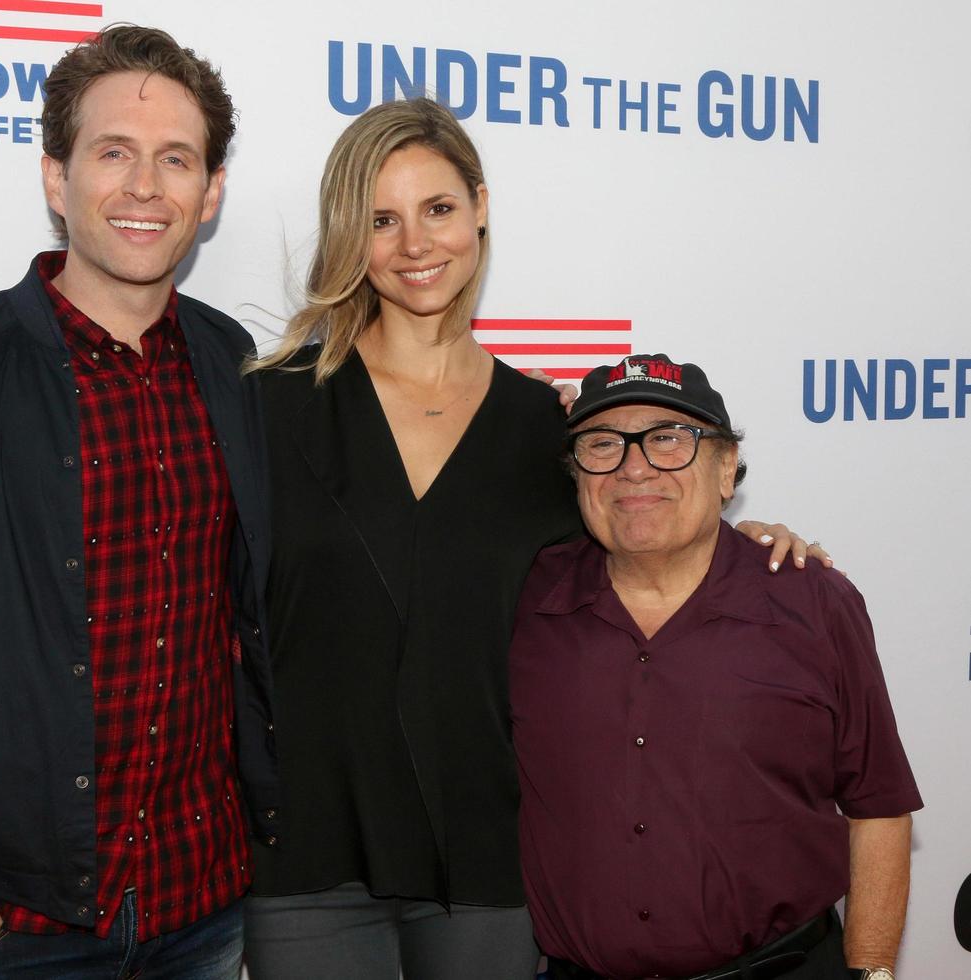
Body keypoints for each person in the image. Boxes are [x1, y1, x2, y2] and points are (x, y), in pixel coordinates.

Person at [242, 98, 822, 980]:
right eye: (380, 220)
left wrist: (753, 544)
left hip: (493, 861)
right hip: (310, 862)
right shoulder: (270, 406)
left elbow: (639, 568)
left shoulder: (542, 430)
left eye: (437, 209)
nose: (414, 244)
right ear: (347, 237)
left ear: (479, 205)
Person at [0, 26, 276, 979]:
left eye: (176, 159)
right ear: (53, 176)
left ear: (212, 191)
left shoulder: (236, 369)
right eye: (113, 152)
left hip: (205, 908)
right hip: (11, 929)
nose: (145, 187)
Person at [510, 354, 922, 980]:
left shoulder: (813, 601)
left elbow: (879, 806)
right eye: (602, 445)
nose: (634, 467)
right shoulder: (521, 602)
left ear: (727, 468)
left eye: (670, 440)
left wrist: (871, 972)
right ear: (576, 475)